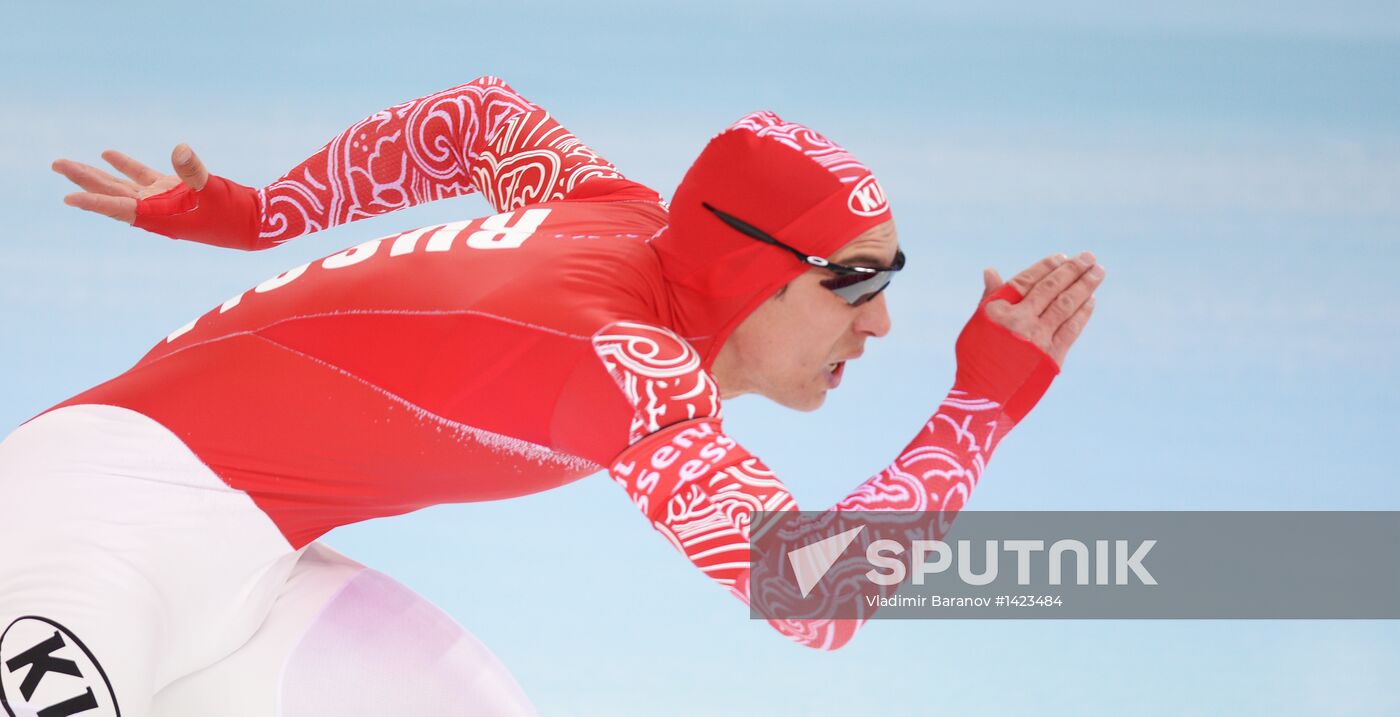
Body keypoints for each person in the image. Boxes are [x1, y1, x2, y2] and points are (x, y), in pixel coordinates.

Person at [2, 76, 1103, 716]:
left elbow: (476, 121)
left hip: (252, 562)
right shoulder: (627, 357)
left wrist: (260, 214)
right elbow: (813, 594)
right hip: (85, 524)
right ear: (743, 271)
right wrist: (982, 405)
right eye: (851, 280)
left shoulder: (616, 210)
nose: (878, 323)